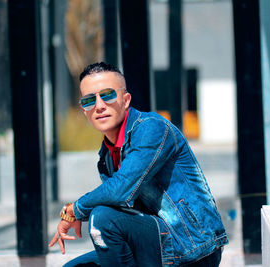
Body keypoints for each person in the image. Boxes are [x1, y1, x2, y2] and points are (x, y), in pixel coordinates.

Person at [49, 62, 228, 266]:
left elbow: (120, 190)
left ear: (126, 100)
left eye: (107, 95)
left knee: (102, 219)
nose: (99, 106)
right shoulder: (107, 154)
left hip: (190, 247)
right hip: (154, 241)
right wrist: (74, 212)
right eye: (90, 100)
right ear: (84, 110)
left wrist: (75, 210)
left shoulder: (152, 128)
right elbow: (120, 205)